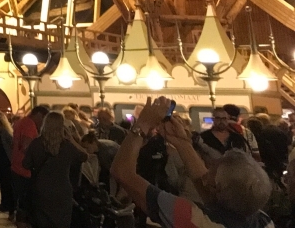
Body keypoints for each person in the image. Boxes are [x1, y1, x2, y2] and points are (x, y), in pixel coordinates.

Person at [112, 96, 273, 228]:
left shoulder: (194, 219)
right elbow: (207, 188)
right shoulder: (263, 220)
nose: (206, 170)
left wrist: (142, 124)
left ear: (216, 187)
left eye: (211, 170)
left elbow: (122, 172)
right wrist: (182, 143)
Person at [21, 111, 87, 228]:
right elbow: (84, 156)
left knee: (42, 223)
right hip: (62, 191)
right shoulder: (67, 146)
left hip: (41, 191)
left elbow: (25, 165)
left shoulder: (36, 144)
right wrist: (71, 139)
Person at [11, 105, 49, 228]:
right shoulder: (29, 125)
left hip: (16, 168)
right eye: (43, 119)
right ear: (39, 115)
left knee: (21, 204)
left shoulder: (20, 122)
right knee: (26, 205)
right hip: (25, 170)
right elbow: (26, 146)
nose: (43, 123)